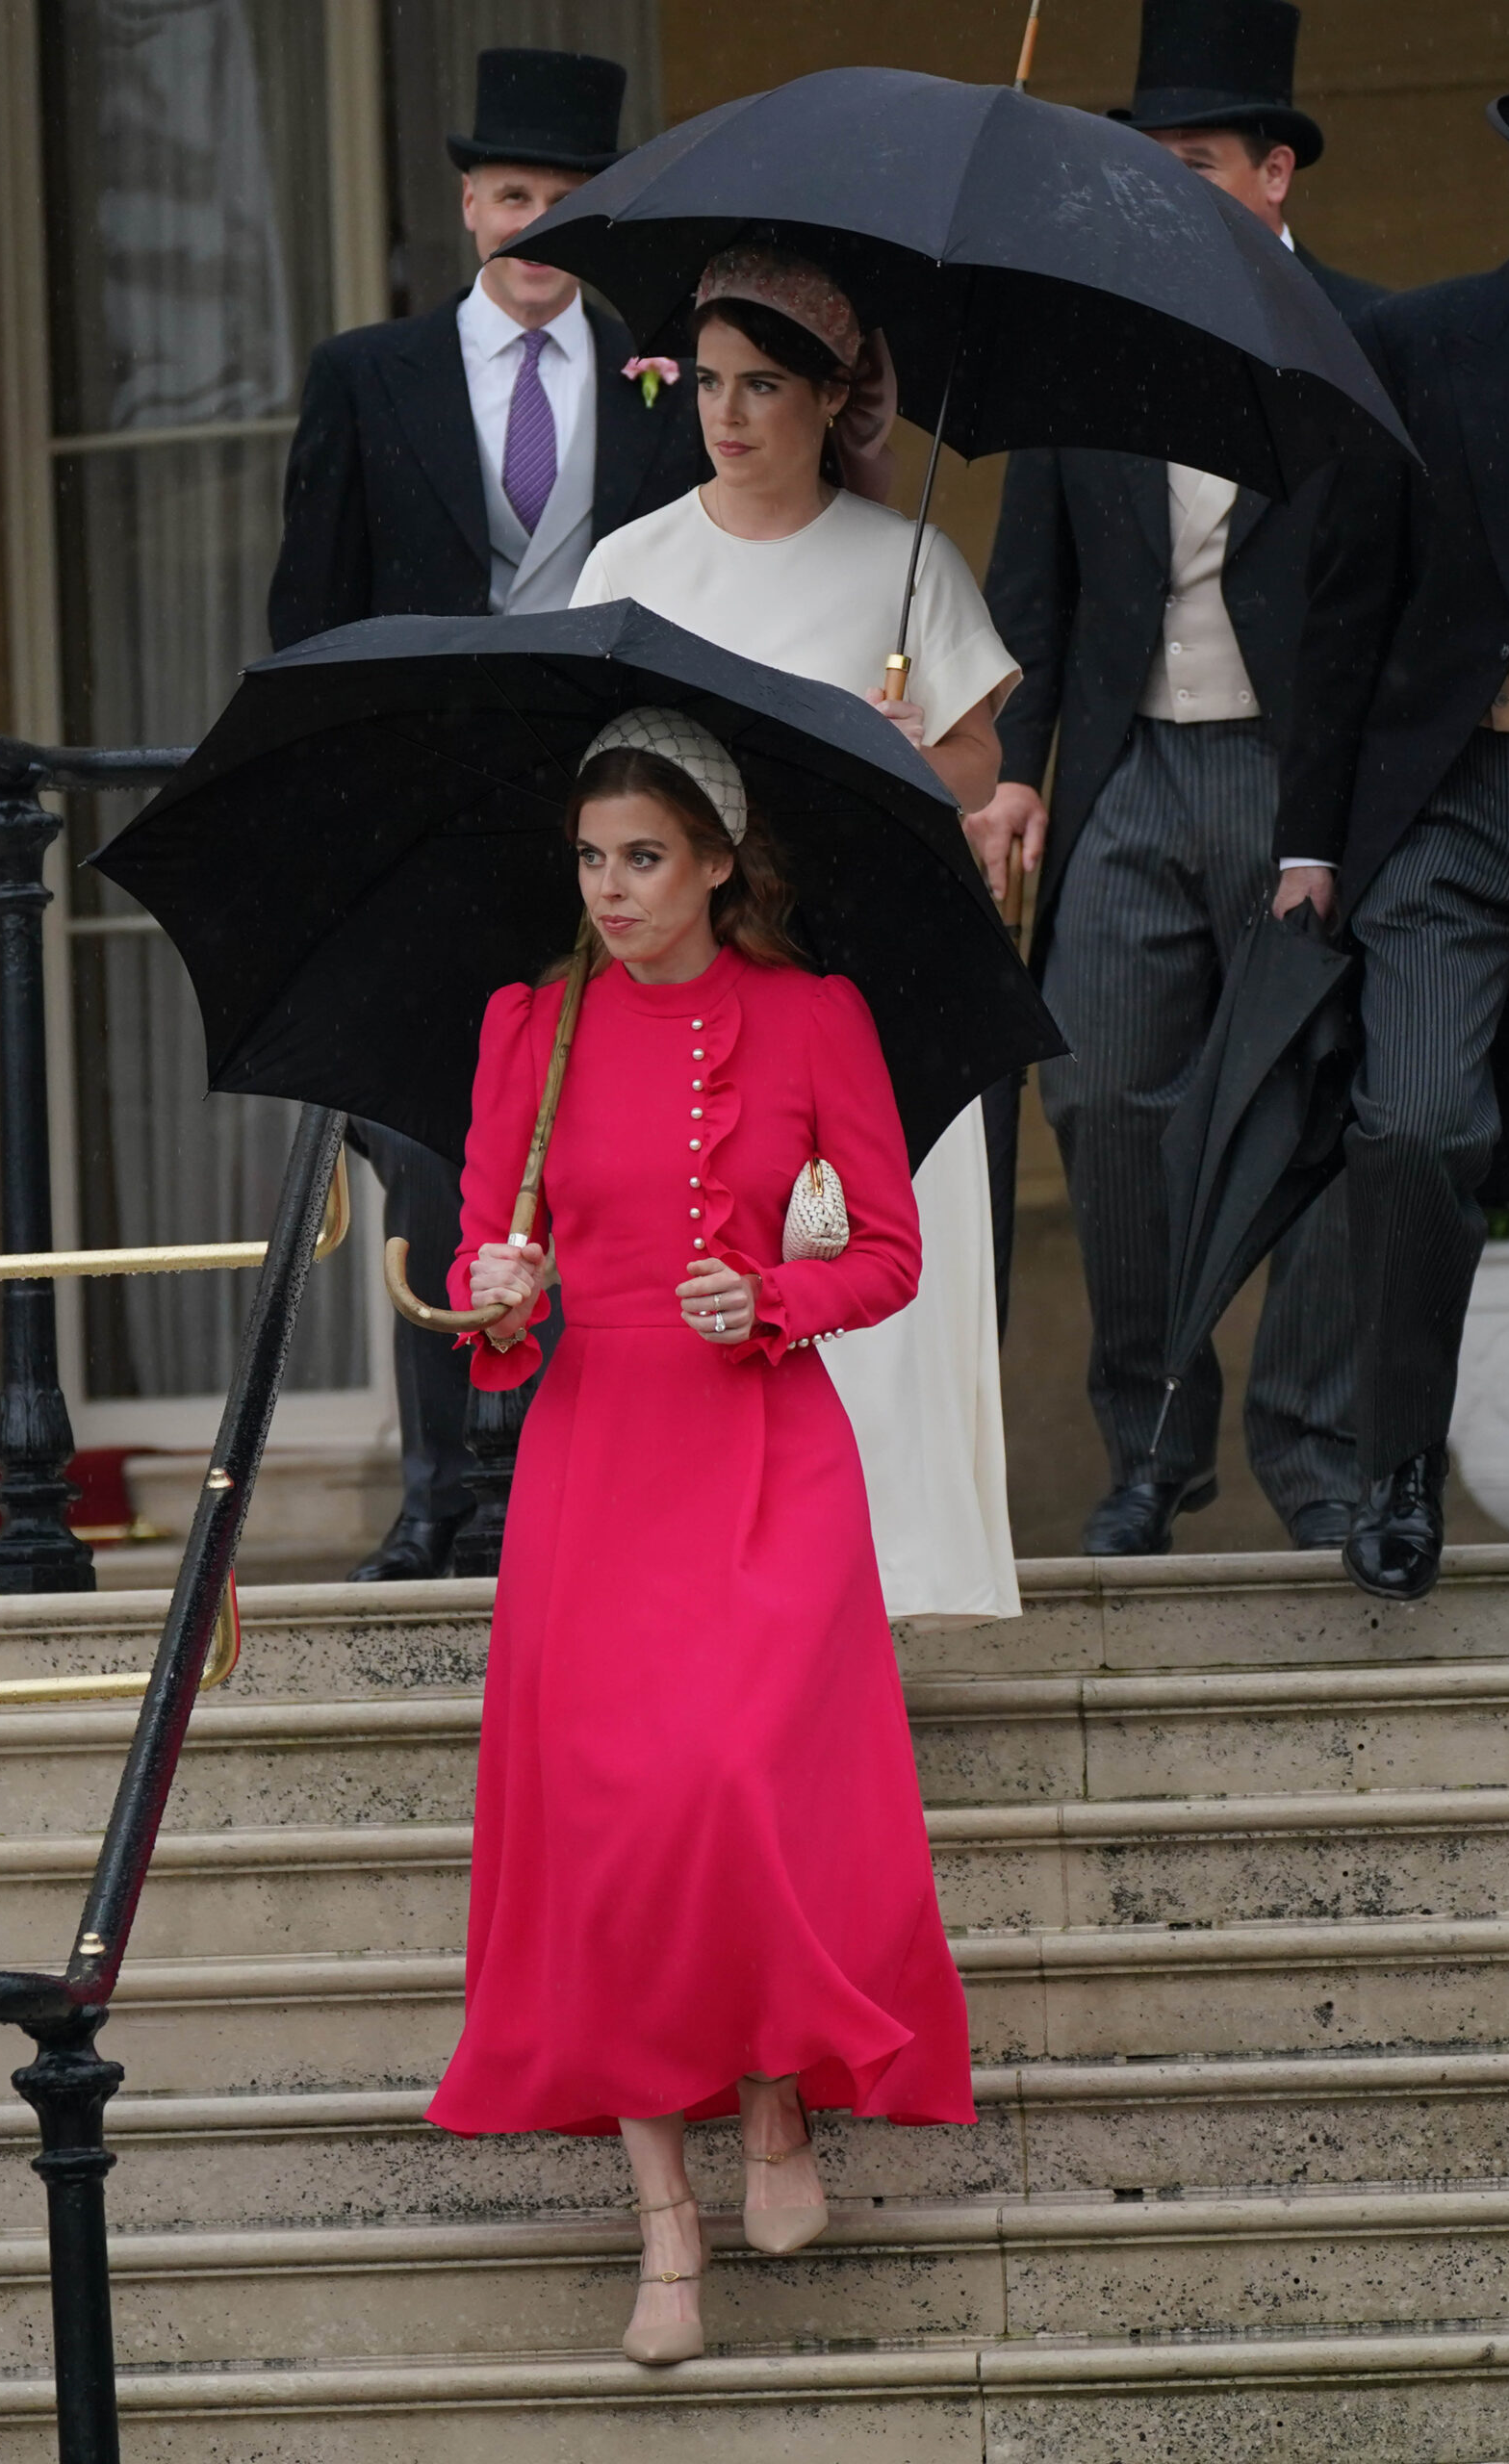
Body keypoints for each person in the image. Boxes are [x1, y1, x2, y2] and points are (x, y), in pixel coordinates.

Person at [424, 709, 974, 2365]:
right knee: (608, 1832)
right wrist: (492, 1298)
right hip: (595, 1456)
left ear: (720, 863)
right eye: (591, 858)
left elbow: (888, 1252)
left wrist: (774, 1297)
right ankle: (667, 2223)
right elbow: (480, 1270)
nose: (610, 888)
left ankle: (777, 2113)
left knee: (730, 1783)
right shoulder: (525, 1025)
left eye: (644, 858)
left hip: (760, 1447)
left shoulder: (811, 1019)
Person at [268, 47, 703, 1580]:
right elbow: (307, 620)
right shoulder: (365, 376)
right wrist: (320, 825)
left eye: (567, 204)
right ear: (467, 207)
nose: (535, 228)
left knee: (598, 1138)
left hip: (604, 812)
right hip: (417, 822)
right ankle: (443, 1492)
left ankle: (562, 1486)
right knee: (436, 1150)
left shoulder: (663, 379)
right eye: (513, 196)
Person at [980, 0, 1384, 1558]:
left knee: (1329, 1114)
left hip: (1307, 780)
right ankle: (1153, 1444)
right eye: (1143, 164)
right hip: (1130, 778)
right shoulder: (1085, 352)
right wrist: (1015, 770)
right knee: (1100, 1092)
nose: (1163, 189)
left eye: (1197, 162)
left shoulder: (1367, 342)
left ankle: (1314, 1447)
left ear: (1275, 173)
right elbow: (1034, 590)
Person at [572, 244, 1023, 1619]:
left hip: (856, 978)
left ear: (833, 396)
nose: (729, 414)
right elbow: (589, 768)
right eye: (708, 383)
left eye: (762, 385)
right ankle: (711, 1577)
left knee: (851, 1264)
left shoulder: (907, 562)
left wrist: (900, 752)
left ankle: (889, 1580)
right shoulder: (627, 563)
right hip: (692, 985)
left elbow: (976, 760)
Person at [1266, 92, 1509, 1602]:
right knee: (1414, 1123)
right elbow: (1344, 602)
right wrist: (1310, 841)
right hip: (1455, 802)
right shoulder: (1422, 344)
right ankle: (1398, 1462)